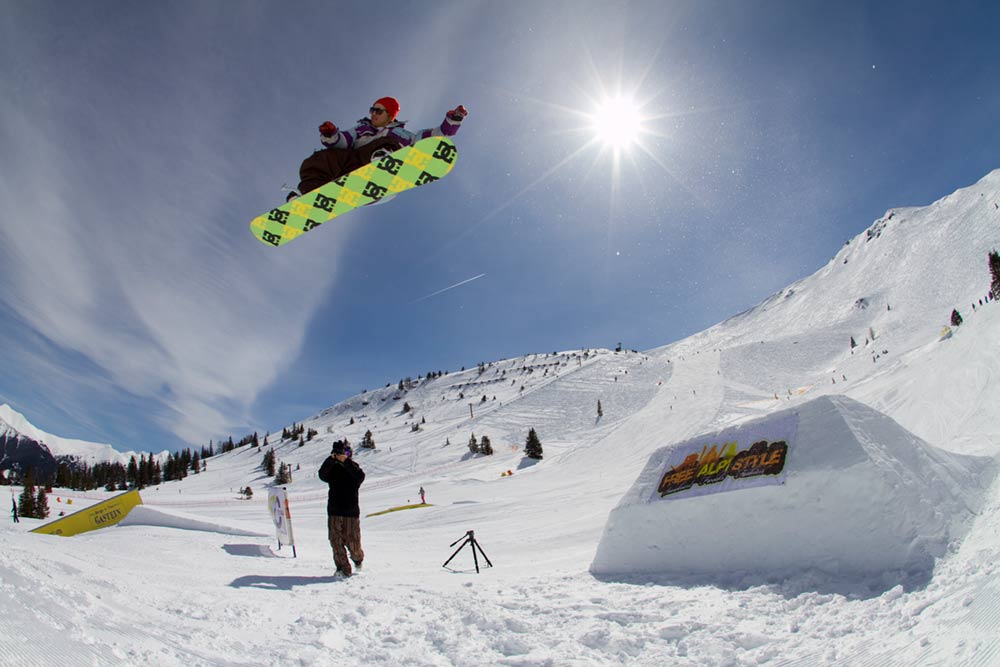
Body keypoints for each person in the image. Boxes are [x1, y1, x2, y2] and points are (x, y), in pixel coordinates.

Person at [289, 96, 469, 200]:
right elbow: (344, 141)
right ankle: (307, 194)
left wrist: (451, 121)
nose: (373, 114)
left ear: (390, 115)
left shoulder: (399, 134)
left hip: (383, 179)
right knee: (322, 158)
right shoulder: (361, 129)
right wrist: (331, 135)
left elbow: (428, 138)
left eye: (378, 111)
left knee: (387, 143)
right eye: (372, 110)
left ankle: (383, 165)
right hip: (352, 169)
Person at [318, 441, 366, 577]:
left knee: (353, 542)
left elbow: (360, 477)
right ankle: (342, 569)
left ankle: (358, 559)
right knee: (336, 541)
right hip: (334, 511)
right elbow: (322, 475)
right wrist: (331, 459)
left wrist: (346, 461)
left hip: (351, 512)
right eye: (340, 453)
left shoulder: (353, 467)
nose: (342, 456)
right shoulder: (332, 469)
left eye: (345, 453)